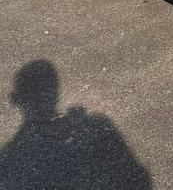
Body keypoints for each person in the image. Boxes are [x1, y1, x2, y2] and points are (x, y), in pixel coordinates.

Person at [0, 61, 152, 190]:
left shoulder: (9, 160)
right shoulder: (95, 128)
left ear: (16, 99)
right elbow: (138, 180)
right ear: (55, 93)